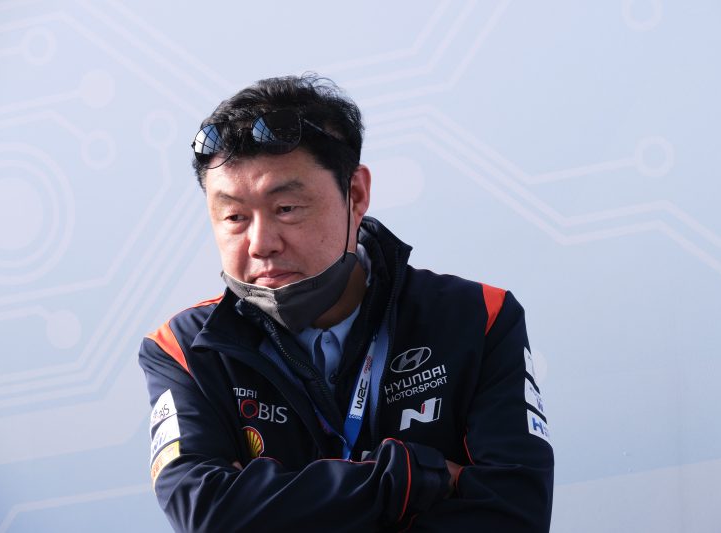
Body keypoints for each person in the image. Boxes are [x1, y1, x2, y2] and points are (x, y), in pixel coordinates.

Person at [139, 74, 553, 532]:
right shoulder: (181, 350)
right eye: (234, 216)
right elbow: (208, 514)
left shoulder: (479, 317)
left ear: (356, 195)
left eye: (286, 209)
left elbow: (515, 515)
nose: (260, 243)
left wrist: (267, 506)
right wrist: (409, 478)